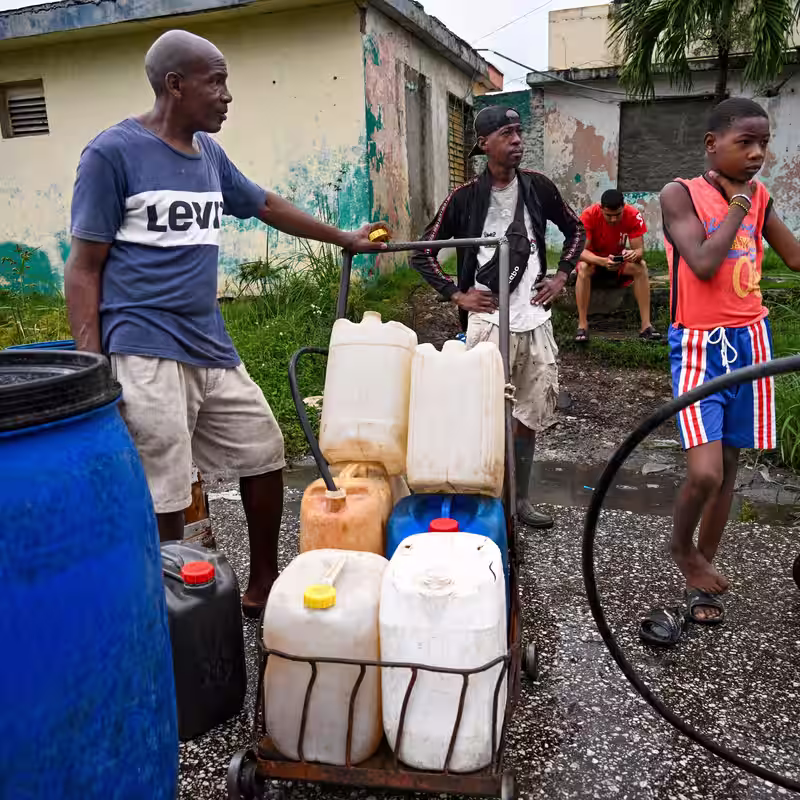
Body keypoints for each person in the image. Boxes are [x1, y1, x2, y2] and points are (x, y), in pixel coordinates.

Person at [64, 30, 385, 618]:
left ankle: (262, 584)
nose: (227, 95)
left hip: (209, 343)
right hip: (143, 347)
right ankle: (167, 616)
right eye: (216, 82)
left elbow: (264, 203)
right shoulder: (112, 154)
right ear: (175, 85)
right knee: (164, 485)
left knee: (263, 450)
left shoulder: (208, 155)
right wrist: (92, 364)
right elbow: (84, 268)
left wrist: (343, 238)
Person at [644, 97, 800, 643]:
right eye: (745, 143)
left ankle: (701, 580)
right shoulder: (680, 194)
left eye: (764, 144)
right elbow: (705, 263)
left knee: (729, 468)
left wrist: (751, 202)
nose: (757, 154)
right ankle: (681, 548)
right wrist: (737, 205)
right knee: (705, 471)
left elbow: (794, 256)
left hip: (751, 341)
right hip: (698, 345)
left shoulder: (760, 197)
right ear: (712, 144)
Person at [410, 105, 586, 530]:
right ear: (484, 144)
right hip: (488, 323)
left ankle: (520, 500)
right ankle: (486, 501)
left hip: (535, 319)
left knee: (529, 416)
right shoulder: (465, 197)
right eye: (507, 134)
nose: (517, 140)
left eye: (519, 132)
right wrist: (457, 294)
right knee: (484, 413)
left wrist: (562, 275)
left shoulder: (538, 187)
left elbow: (576, 229)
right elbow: (421, 251)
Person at [575, 189, 660, 342]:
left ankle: (646, 326)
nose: (613, 219)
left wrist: (633, 254)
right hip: (594, 262)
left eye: (617, 215)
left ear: (624, 207)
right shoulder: (588, 215)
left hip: (617, 261)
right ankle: (582, 325)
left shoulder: (633, 215)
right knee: (583, 268)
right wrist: (602, 261)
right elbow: (579, 252)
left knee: (641, 266)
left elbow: (639, 250)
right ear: (601, 208)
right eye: (609, 215)